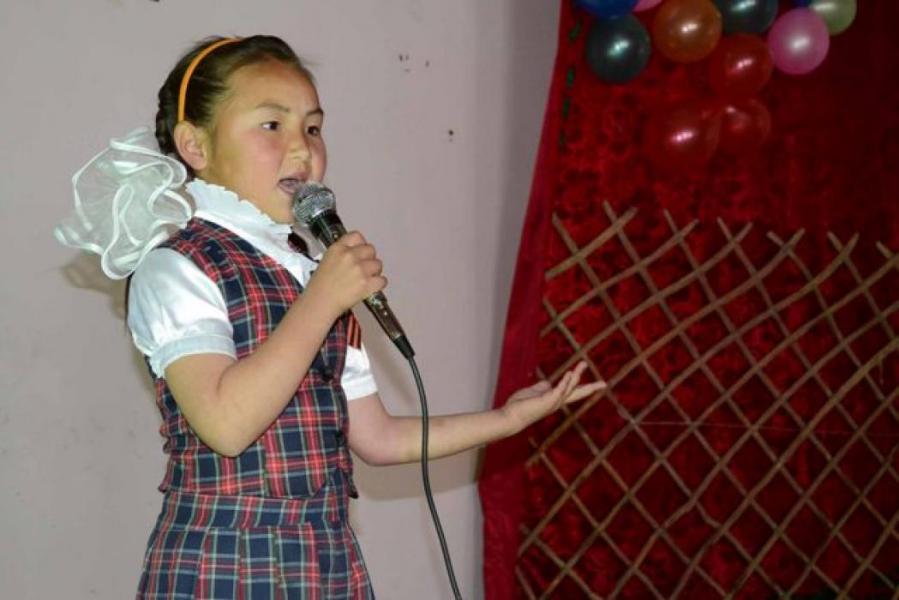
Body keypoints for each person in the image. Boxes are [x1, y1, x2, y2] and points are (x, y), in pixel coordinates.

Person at [55, 35, 606, 599]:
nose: (302, 148)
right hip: (226, 558)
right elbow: (226, 425)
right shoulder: (178, 265)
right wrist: (322, 300)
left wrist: (507, 420)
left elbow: (379, 438)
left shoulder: (309, 272)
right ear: (195, 145)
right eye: (272, 125)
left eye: (313, 128)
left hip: (324, 559)